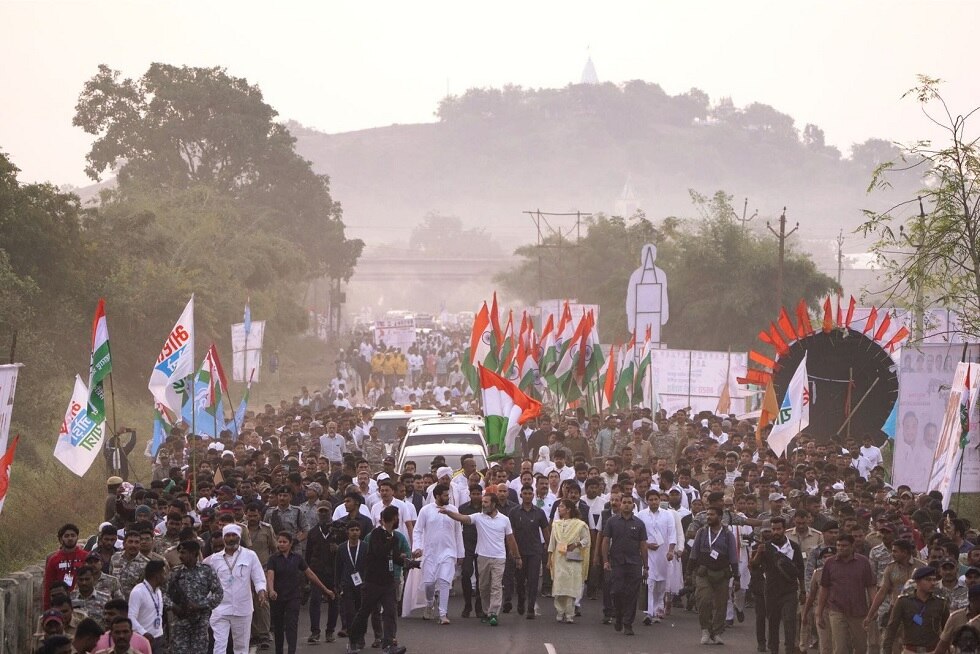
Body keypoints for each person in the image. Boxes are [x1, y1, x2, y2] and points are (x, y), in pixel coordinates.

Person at [439, 487, 522, 627]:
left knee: (496, 586)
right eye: (483, 502)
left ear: (494, 504)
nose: (483, 504)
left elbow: (510, 539)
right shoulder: (478, 517)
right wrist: (448, 512)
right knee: (483, 587)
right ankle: (486, 611)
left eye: (486, 502)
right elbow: (463, 518)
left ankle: (493, 613)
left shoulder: (504, 520)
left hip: (499, 558)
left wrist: (517, 557)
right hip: (483, 557)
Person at [347, 505, 410, 654]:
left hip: (388, 582)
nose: (398, 520)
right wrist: (392, 544)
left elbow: (394, 557)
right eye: (397, 518)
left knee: (390, 612)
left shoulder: (392, 536)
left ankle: (388, 644)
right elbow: (379, 552)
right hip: (373, 582)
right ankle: (353, 640)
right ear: (394, 518)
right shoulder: (376, 534)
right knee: (364, 612)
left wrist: (410, 563)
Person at [266, 531, 335, 654]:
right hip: (277, 597)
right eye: (279, 542)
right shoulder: (273, 559)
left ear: (290, 543)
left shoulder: (297, 558)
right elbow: (270, 576)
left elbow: (310, 574)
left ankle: (291, 651)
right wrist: (271, 590)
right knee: (278, 627)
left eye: (284, 542)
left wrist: (325, 590)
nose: (281, 544)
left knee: (292, 625)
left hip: (293, 596)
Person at [205, 523, 268, 654]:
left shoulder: (250, 555)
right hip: (220, 609)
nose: (231, 538)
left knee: (241, 647)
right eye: (228, 535)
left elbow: (258, 577)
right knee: (219, 647)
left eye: (234, 535)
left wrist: (261, 591)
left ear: (239, 537)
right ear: (223, 538)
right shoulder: (213, 559)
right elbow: (204, 578)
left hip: (242, 609)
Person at [749, 516, 805, 654]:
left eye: (778, 529)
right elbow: (754, 566)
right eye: (773, 529)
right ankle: (774, 649)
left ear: (784, 529)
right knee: (773, 623)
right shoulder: (765, 547)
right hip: (771, 591)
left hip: (790, 590)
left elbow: (801, 571)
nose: (775, 532)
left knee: (789, 621)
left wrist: (803, 591)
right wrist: (758, 553)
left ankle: (789, 649)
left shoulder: (794, 547)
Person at [412, 483, 464, 624]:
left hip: (448, 552)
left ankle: (443, 614)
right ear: (437, 496)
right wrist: (417, 547)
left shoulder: (453, 510)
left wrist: (460, 553)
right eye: (446, 495)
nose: (448, 497)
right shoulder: (426, 510)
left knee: (444, 582)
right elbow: (417, 530)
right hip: (430, 553)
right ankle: (429, 603)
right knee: (429, 583)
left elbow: (458, 532)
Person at [816, 534, 876, 654]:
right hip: (837, 610)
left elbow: (870, 587)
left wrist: (873, 610)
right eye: (838, 545)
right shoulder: (830, 563)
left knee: (861, 647)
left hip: (859, 611)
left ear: (852, 546)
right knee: (840, 648)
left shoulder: (863, 562)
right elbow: (824, 589)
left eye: (844, 546)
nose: (840, 548)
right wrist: (819, 613)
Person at [690, 506, 740, 645]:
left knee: (721, 605)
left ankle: (717, 632)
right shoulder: (702, 532)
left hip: (722, 573)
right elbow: (694, 553)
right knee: (703, 601)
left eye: (712, 514)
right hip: (704, 573)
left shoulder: (727, 534)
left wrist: (737, 577)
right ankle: (705, 629)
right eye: (707, 515)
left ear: (719, 516)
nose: (708, 517)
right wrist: (689, 573)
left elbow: (733, 556)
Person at [166, 540, 223, 654]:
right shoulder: (175, 573)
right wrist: (173, 607)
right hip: (180, 623)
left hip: (200, 623)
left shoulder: (206, 571)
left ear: (194, 553)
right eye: (180, 553)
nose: (180, 556)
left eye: (184, 553)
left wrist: (199, 605)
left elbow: (219, 594)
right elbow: (163, 594)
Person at [602, 494, 647, 636]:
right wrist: (605, 560)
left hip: (634, 563)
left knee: (632, 594)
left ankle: (628, 624)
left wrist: (646, 566)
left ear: (633, 505)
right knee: (616, 591)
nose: (627, 504)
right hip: (617, 563)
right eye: (624, 502)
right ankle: (619, 615)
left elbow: (643, 545)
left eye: (629, 502)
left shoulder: (639, 524)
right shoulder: (612, 521)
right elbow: (605, 541)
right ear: (620, 504)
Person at [882, 566, 949, 654]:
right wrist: (887, 650)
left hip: (933, 650)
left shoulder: (940, 603)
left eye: (934, 580)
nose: (932, 583)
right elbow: (892, 628)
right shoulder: (904, 602)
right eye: (928, 580)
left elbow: (947, 630)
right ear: (917, 581)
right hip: (910, 651)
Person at [509, 483, 550, 619]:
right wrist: (513, 551)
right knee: (520, 580)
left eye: (529, 494)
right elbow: (511, 533)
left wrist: (549, 548)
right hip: (519, 552)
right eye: (525, 493)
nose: (527, 496)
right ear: (521, 495)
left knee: (533, 580)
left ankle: (530, 607)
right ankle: (521, 601)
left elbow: (545, 531)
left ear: (533, 495)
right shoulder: (514, 512)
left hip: (535, 551)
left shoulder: (539, 512)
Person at [636, 489, 677, 625]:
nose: (653, 502)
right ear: (647, 501)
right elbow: (637, 535)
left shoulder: (667, 515)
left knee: (661, 583)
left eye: (656, 499)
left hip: (663, 553)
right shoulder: (641, 515)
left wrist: (671, 551)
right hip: (647, 553)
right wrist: (647, 545)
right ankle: (649, 612)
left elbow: (672, 533)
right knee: (650, 581)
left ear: (660, 500)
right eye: (651, 500)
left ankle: (658, 608)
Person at [548, 498, 591, 623]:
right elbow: (552, 543)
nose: (559, 509)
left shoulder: (580, 525)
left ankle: (569, 614)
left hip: (573, 558)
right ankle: (560, 612)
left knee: (571, 586)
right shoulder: (556, 524)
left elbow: (586, 540)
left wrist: (576, 544)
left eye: (561, 506)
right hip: (559, 559)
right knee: (560, 586)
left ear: (568, 509)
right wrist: (549, 559)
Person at [44, 523, 89, 609]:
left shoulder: (86, 556)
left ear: (77, 537)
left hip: (82, 600)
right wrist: (47, 608)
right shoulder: (54, 560)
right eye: (67, 536)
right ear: (61, 539)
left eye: (73, 535)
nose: (70, 538)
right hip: (60, 603)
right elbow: (48, 585)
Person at [126, 560, 165, 653]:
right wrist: (144, 633)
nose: (165, 577)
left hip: (158, 638)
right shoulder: (138, 592)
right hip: (144, 638)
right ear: (157, 575)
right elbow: (131, 617)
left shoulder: (158, 591)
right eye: (164, 573)